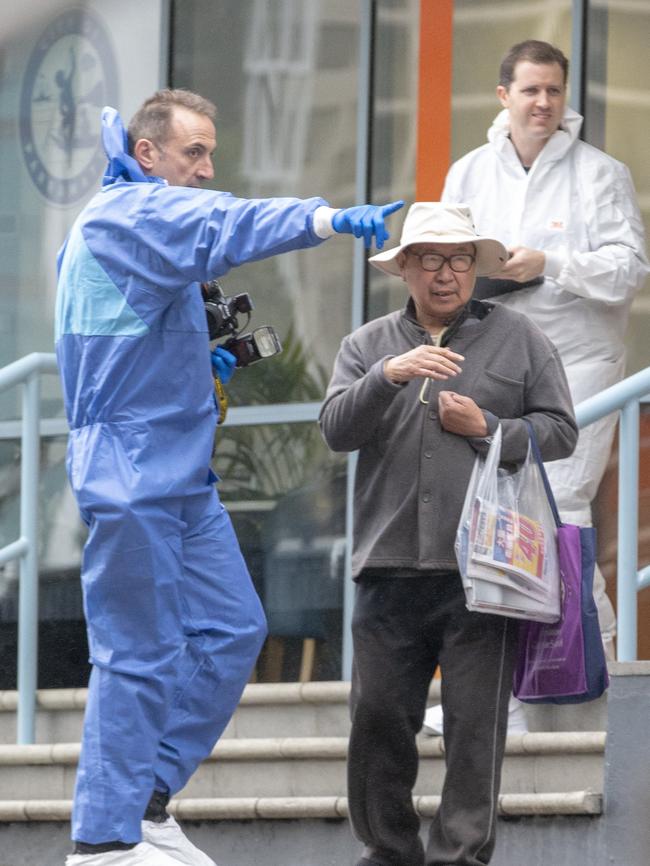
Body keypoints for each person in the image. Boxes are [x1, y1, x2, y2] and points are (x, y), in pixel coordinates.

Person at [55, 87, 403, 866]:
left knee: (234, 626)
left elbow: (122, 330)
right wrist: (325, 218)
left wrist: (193, 359)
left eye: (212, 152)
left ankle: (144, 802)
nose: (208, 168)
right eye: (195, 152)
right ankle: (103, 841)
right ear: (147, 156)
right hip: (133, 473)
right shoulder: (128, 214)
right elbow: (221, 225)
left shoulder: (134, 228)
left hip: (177, 472)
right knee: (136, 652)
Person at [319, 201, 578, 866]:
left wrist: (491, 428)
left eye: (460, 259)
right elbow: (336, 430)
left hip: (486, 574)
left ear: (476, 267)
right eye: (431, 259)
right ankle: (388, 852)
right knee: (377, 722)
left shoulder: (518, 338)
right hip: (387, 564)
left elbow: (561, 429)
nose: (446, 273)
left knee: (473, 732)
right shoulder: (367, 345)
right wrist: (389, 375)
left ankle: (460, 858)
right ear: (404, 267)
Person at [422, 39, 649, 738]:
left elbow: (629, 271)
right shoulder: (468, 172)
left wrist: (548, 263)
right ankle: (569, 682)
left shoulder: (599, 174)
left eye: (554, 91)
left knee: (559, 504)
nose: (544, 104)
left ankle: (562, 686)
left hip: (578, 361)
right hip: (494, 358)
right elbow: (439, 257)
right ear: (503, 96)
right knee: (509, 518)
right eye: (531, 91)